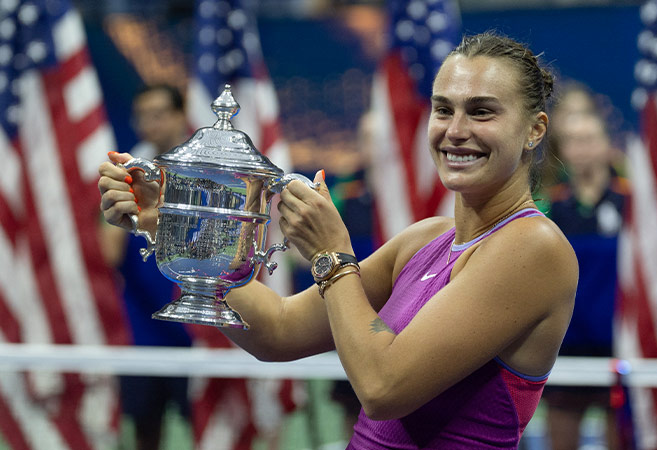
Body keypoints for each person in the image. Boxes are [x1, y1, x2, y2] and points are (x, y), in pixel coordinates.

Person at [99, 31, 579, 448]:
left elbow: (383, 388)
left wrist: (331, 256)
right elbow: (280, 331)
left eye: (481, 112)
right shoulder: (426, 240)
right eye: (443, 110)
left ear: (535, 130)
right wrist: (169, 227)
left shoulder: (533, 246)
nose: (455, 131)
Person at [98, 84, 193, 450]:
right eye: (142, 116)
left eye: (159, 114)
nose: (149, 124)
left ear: (181, 116)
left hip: (196, 324)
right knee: (145, 430)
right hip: (143, 324)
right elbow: (108, 252)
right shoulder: (123, 175)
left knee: (212, 424)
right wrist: (125, 200)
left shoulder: (204, 174)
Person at [542, 84, 628, 450]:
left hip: (620, 344)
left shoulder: (633, 202)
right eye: (574, 141)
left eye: (590, 138)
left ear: (607, 144)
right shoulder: (547, 210)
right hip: (565, 346)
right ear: (564, 150)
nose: (582, 148)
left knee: (620, 437)